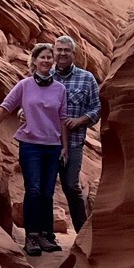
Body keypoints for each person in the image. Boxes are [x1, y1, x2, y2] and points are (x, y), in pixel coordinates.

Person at [0, 43, 69, 257]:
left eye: (50, 57)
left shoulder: (60, 89)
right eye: (42, 57)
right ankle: (32, 236)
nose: (47, 60)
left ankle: (45, 234)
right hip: (30, 145)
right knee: (34, 189)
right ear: (34, 61)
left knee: (47, 193)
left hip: (53, 146)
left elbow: (62, 119)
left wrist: (65, 147)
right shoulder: (24, 86)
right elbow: (5, 108)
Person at [49, 34, 101, 247]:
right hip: (47, 143)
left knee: (71, 185)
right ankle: (44, 234)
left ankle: (82, 234)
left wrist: (79, 120)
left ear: (74, 54)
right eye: (59, 50)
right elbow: (31, 99)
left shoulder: (86, 78)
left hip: (74, 141)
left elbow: (97, 109)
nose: (62, 54)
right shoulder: (45, 75)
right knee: (44, 188)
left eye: (66, 51)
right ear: (54, 52)